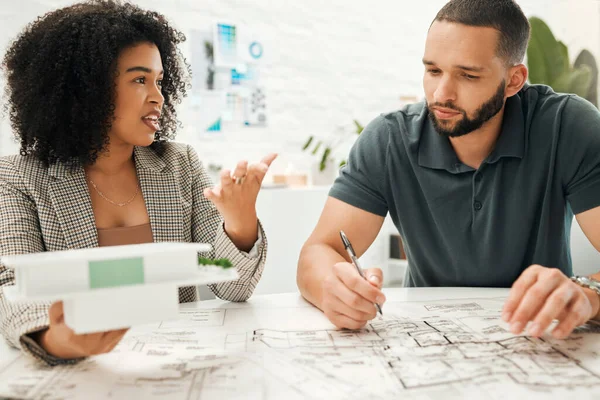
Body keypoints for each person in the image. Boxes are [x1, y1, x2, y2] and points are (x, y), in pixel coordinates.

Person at [297, 0, 600, 339]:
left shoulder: (567, 126)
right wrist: (332, 288)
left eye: (468, 75)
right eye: (433, 70)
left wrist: (589, 295)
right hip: (427, 343)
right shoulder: (388, 139)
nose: (441, 94)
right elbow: (319, 250)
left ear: (514, 80)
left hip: (538, 341)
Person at [0, 0, 275, 366]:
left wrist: (240, 225)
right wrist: (58, 340)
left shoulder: (180, 165)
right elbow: (13, 287)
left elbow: (233, 286)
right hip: (85, 372)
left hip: (172, 366)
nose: (158, 96)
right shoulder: (18, 177)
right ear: (87, 88)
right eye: (139, 79)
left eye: (160, 81)